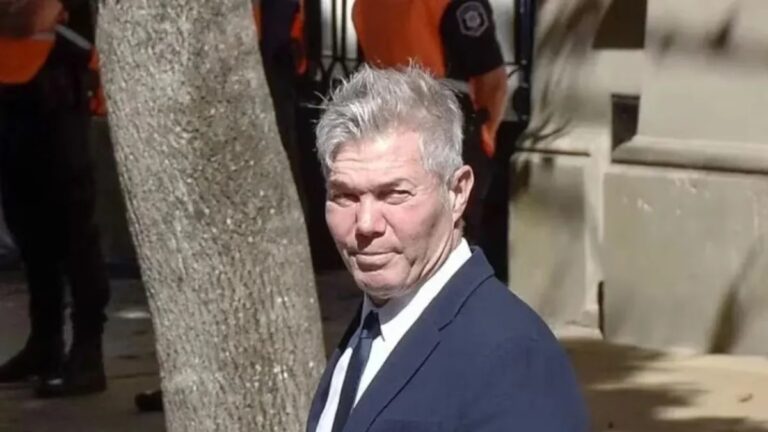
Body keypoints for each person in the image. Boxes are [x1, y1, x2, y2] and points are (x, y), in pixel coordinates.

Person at [306, 66, 587, 432]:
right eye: (345, 196)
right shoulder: (369, 329)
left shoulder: (514, 358)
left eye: (394, 194)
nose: (365, 224)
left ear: (457, 193)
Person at [0, 0, 111, 397]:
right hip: (12, 84)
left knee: (74, 228)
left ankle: (87, 354)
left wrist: (16, 16)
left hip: (56, 79)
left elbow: (33, 18)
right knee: (27, 226)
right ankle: (44, 345)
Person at [352, 0, 508, 245]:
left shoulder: (363, 5)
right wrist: (486, 136)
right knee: (455, 236)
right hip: (445, 126)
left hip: (387, 126)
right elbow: (492, 81)